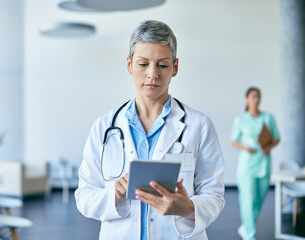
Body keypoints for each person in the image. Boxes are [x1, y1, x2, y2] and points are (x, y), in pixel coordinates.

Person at [75, 20, 225, 240]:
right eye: (143, 64)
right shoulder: (104, 127)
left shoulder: (199, 125)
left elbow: (214, 195)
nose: (153, 74)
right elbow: (84, 196)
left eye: (162, 65)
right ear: (129, 64)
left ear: (175, 67)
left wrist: (188, 208)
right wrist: (114, 195)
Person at [231, 87, 280, 240]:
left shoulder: (268, 117)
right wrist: (245, 147)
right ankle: (250, 235)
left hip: (264, 163)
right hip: (247, 165)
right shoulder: (241, 119)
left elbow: (276, 138)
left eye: (258, 96)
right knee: (247, 199)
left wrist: (269, 147)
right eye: (253, 96)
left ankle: (246, 226)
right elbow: (234, 141)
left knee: (259, 199)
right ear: (247, 99)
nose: (256, 99)